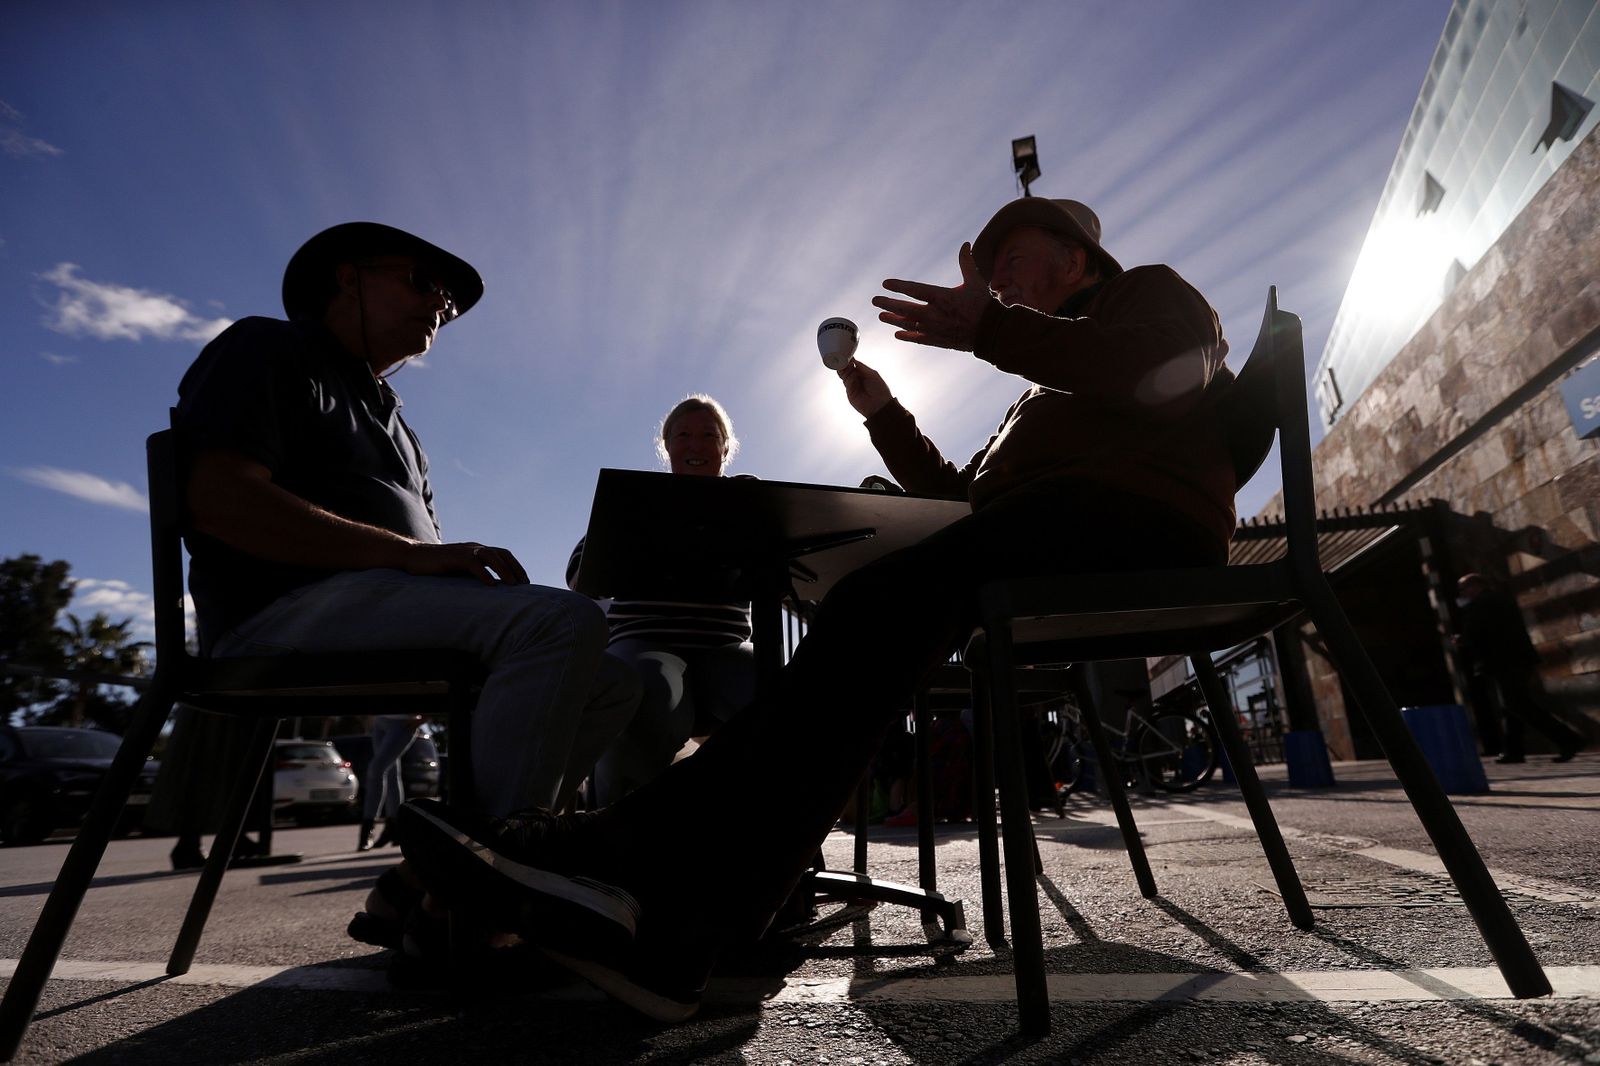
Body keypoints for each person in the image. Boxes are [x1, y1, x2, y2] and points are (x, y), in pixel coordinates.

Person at [398, 197, 1236, 1022]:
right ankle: (686, 929)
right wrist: (883, 414)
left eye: (1009, 262)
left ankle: (624, 861)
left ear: (1077, 259)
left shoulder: (1144, 295)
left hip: (1137, 521)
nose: (997, 283)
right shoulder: (1039, 394)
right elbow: (959, 500)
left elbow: (1166, 372)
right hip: (1048, 531)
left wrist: (988, 329)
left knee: (881, 604)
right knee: (877, 605)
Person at [168, 222, 639, 923]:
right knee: (558, 620)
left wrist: (450, 589)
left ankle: (433, 882)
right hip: (278, 611)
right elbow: (216, 500)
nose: (439, 306)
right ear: (347, 277)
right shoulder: (271, 346)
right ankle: (489, 894)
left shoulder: (399, 425)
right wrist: (414, 558)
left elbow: (413, 558)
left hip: (374, 610)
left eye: (446, 302)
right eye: (421, 282)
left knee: (614, 679)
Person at [567, 396, 757, 805]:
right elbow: (581, 578)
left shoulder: (748, 502)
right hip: (646, 641)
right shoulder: (635, 500)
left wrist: (755, 521)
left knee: (786, 691)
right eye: (683, 435)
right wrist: (626, 535)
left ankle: (779, 830)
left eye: (709, 435)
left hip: (725, 647)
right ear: (666, 446)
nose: (696, 445)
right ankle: (615, 830)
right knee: (649, 693)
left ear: (726, 447)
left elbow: (784, 571)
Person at [1454, 573, 1583, 764]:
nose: (1462, 593)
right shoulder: (1499, 599)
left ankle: (1568, 739)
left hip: (1504, 661)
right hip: (1516, 659)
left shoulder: (1482, 604)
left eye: (1463, 589)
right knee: (1512, 706)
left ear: (1475, 586)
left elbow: (1478, 631)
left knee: (1517, 705)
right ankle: (1514, 751)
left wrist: (1461, 639)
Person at [359, 714, 423, 851]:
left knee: (376, 769)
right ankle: (394, 829)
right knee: (391, 774)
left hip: (403, 722)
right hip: (380, 721)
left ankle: (367, 829)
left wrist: (425, 718)